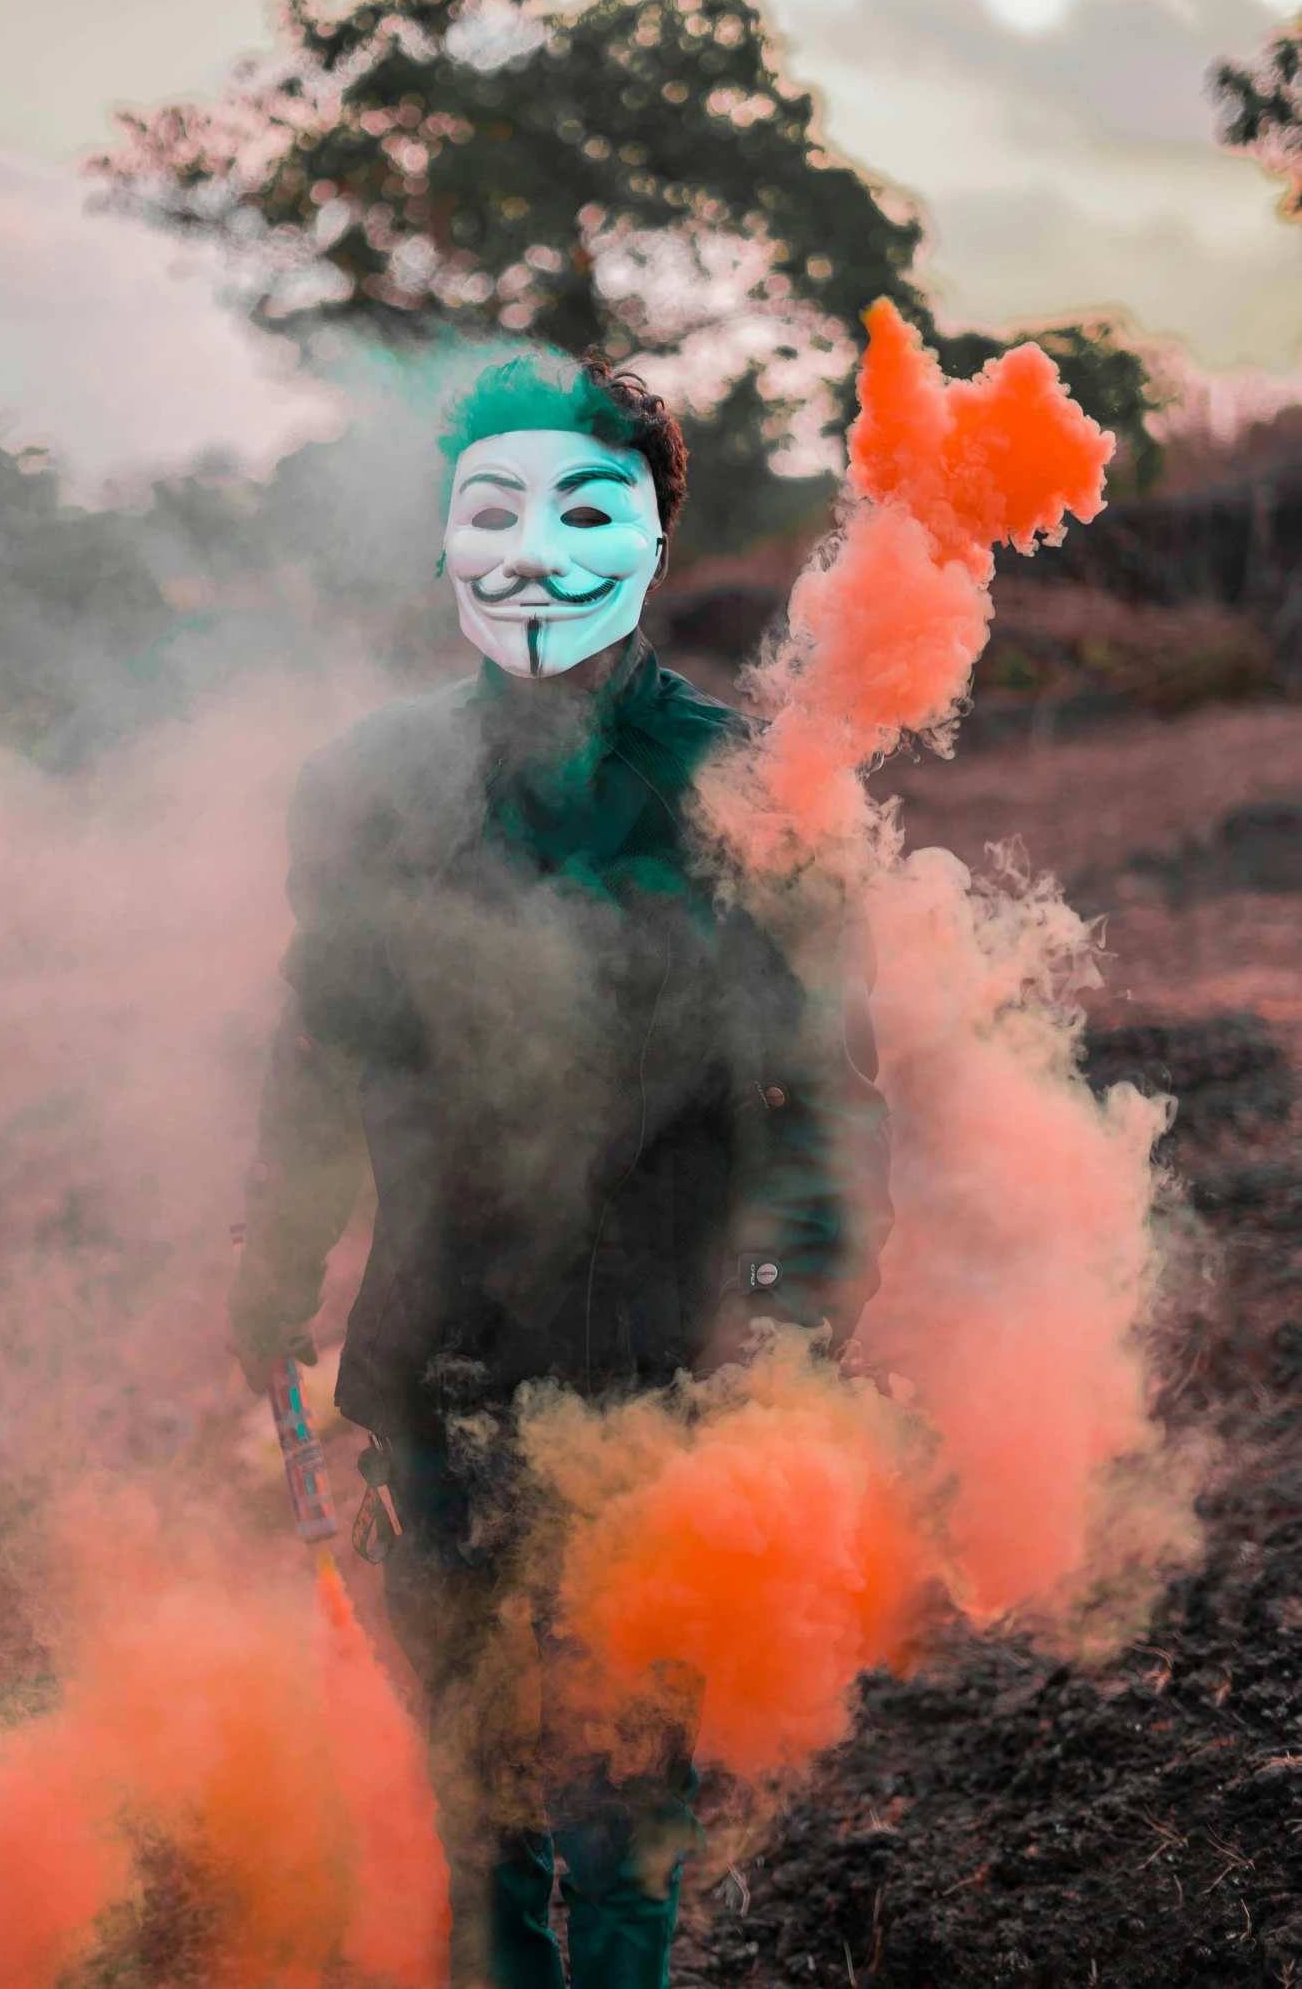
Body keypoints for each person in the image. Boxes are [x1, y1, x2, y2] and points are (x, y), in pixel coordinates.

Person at [230, 352, 891, 1989]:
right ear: (447, 543)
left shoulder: (750, 787)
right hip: (429, 1352)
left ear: (654, 539)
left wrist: (802, 1318)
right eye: (492, 509)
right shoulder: (366, 786)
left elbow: (825, 1086)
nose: (534, 550)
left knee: (622, 1798)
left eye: (587, 507)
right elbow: (320, 1047)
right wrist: (272, 1266)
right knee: (469, 1790)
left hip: (660, 1365)